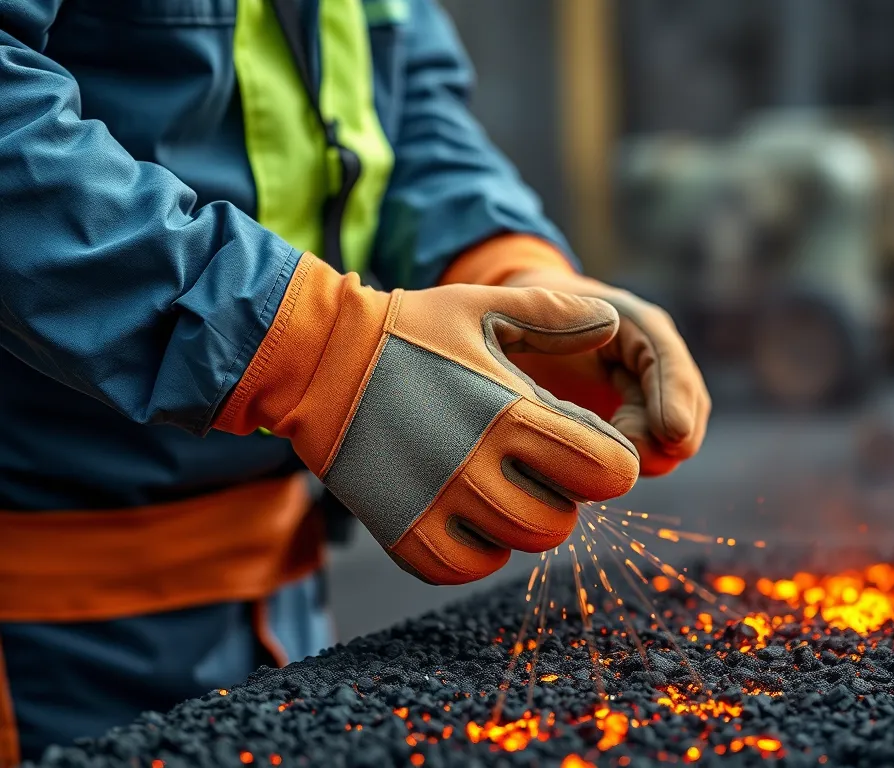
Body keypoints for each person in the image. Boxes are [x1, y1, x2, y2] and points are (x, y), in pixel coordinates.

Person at [0, 0, 710, 761]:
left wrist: (504, 270)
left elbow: (404, 108)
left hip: (277, 593)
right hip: (40, 632)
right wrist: (315, 348)